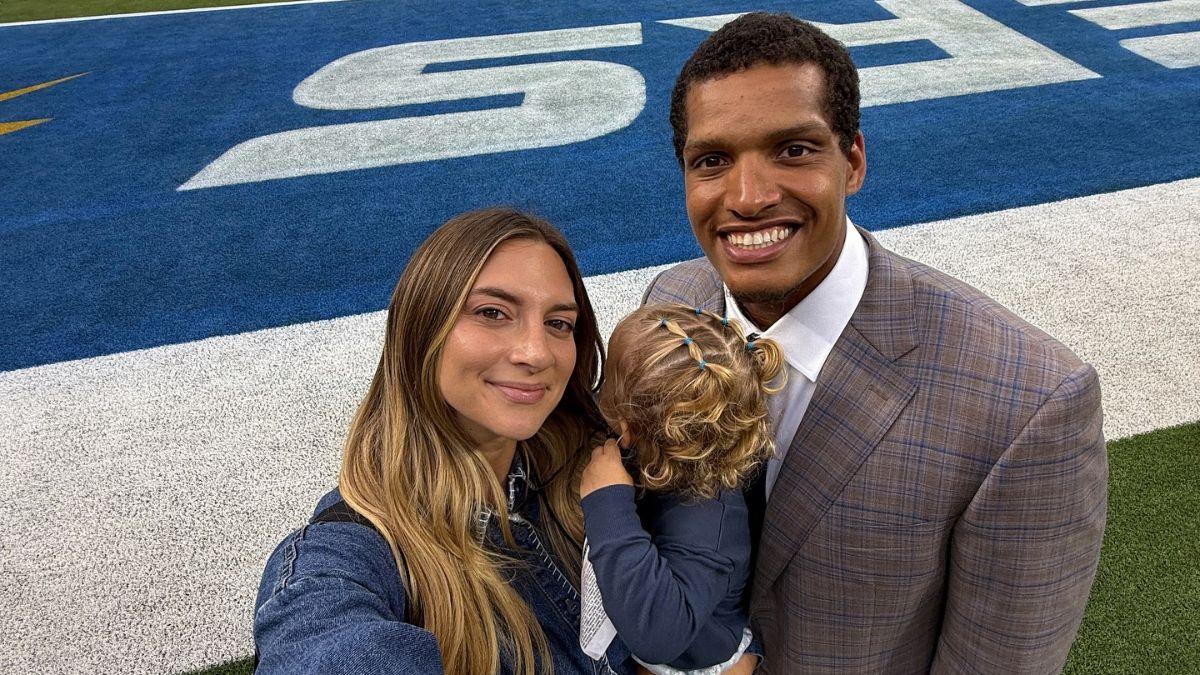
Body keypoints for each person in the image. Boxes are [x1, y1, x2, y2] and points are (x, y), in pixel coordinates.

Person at [644, 12, 1108, 673]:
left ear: (854, 160)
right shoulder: (672, 300)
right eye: (713, 160)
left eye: (793, 150)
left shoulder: (1031, 404)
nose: (747, 197)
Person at [254, 208, 636, 674]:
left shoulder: (595, 466)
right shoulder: (342, 560)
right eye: (492, 313)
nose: (536, 353)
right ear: (421, 328)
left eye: (559, 323)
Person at [577, 304, 784, 673]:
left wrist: (607, 504)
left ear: (627, 428)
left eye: (606, 383)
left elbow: (657, 635)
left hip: (692, 663)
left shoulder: (707, 523)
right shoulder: (678, 457)